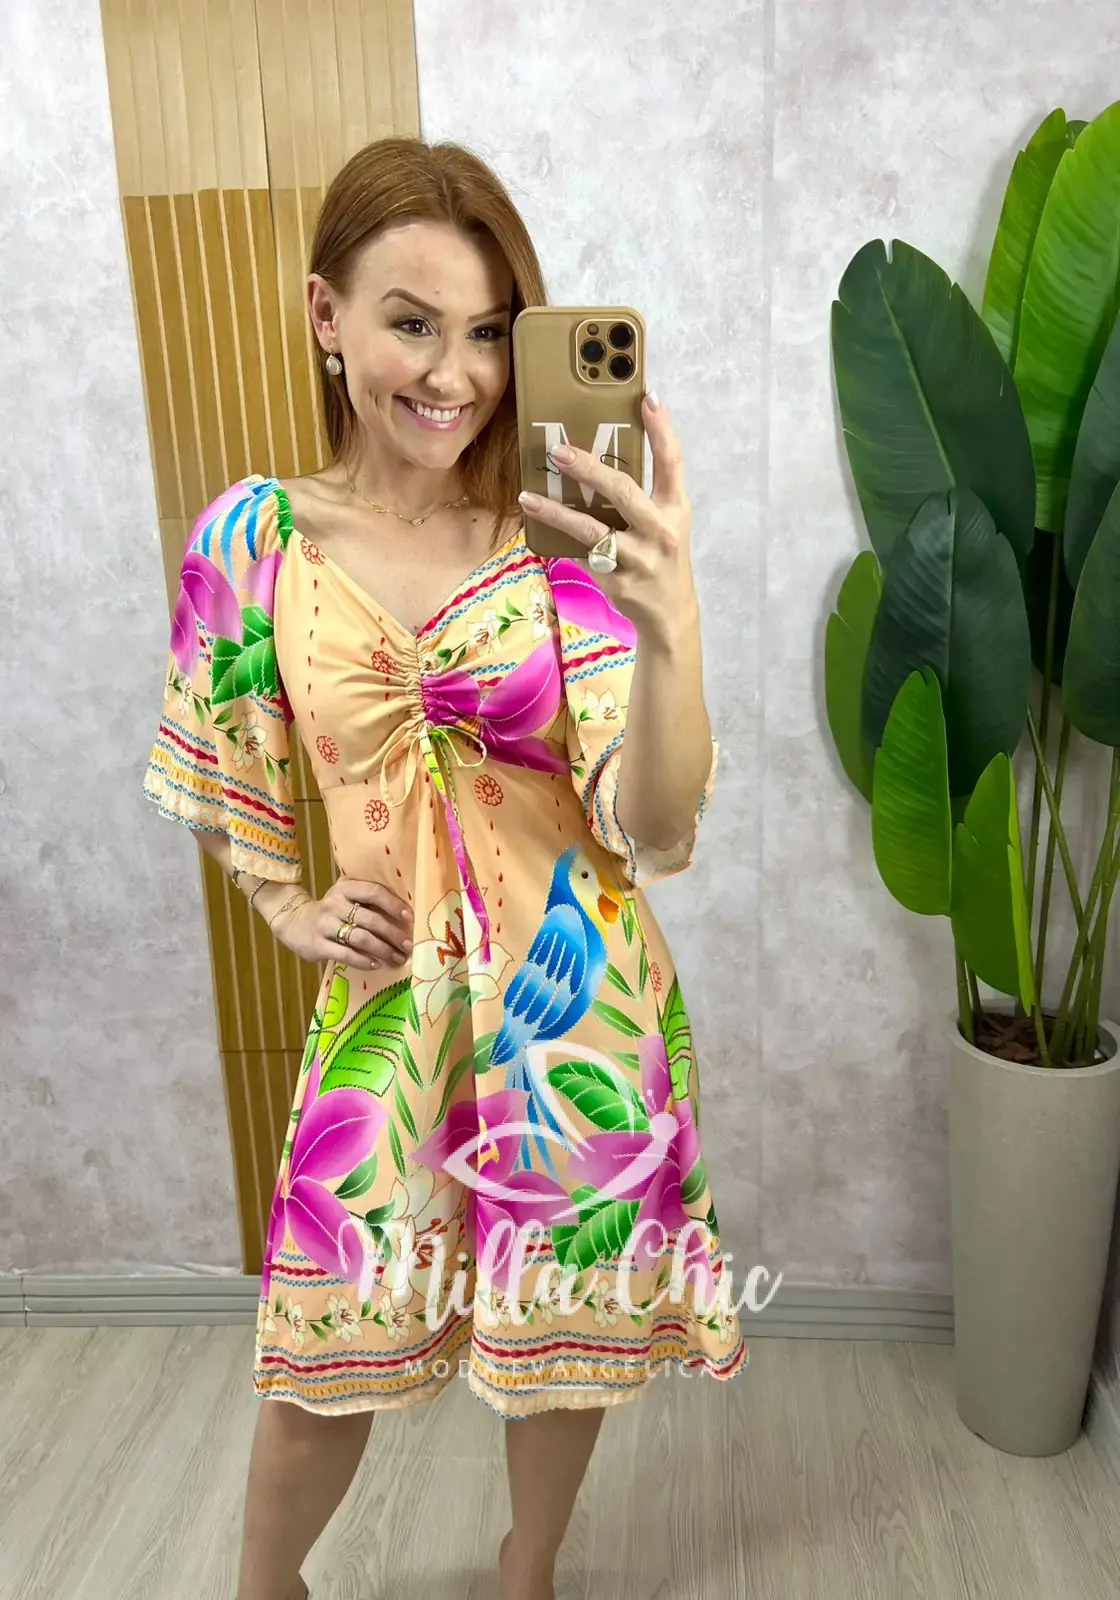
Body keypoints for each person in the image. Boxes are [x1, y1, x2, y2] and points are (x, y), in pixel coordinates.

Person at [142, 136, 746, 1600]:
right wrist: (288, 905)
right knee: (321, 1348)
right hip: (391, 1012)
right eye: (412, 322)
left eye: (488, 333)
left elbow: (656, 825)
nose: (455, 375)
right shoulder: (257, 539)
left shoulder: (561, 540)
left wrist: (668, 617)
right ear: (326, 313)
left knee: (559, 1346)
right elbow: (223, 765)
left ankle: (528, 1572)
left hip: (576, 1003)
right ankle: (266, 1586)